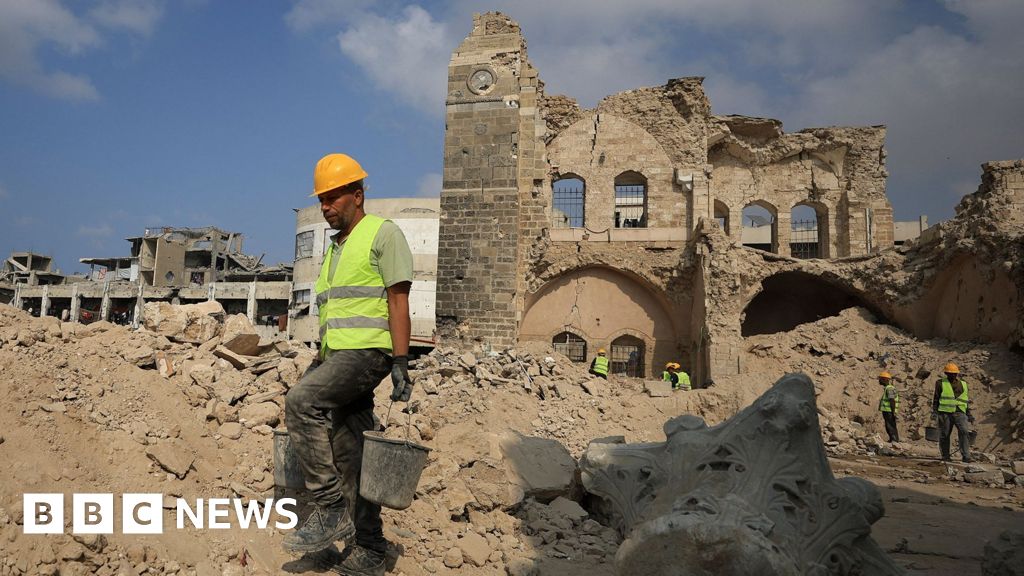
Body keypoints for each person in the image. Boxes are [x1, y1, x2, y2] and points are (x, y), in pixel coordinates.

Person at [283, 153, 414, 576]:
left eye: (333, 197)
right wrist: (322, 358)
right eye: (322, 199)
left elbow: (398, 300)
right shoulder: (335, 249)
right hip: (337, 355)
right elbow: (336, 313)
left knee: (301, 402)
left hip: (368, 354)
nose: (326, 207)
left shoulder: (382, 233)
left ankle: (329, 507)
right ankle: (369, 547)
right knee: (349, 449)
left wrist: (399, 359)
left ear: (357, 196)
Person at [932, 362, 973, 463]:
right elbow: (936, 398)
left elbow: (965, 400)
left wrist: (969, 413)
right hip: (945, 413)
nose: (953, 375)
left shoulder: (964, 384)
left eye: (954, 373)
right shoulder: (940, 383)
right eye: (950, 373)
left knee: (964, 432)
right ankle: (945, 456)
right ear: (946, 373)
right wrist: (935, 411)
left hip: (960, 412)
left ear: (957, 374)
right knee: (944, 434)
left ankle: (966, 455)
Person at [877, 371, 900, 443]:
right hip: (888, 411)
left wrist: (893, 412)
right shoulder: (888, 388)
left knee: (890, 425)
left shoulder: (890, 388)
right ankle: (893, 440)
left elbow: (892, 400)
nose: (879, 380)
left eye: (880, 379)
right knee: (889, 425)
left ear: (885, 379)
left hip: (889, 411)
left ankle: (894, 440)